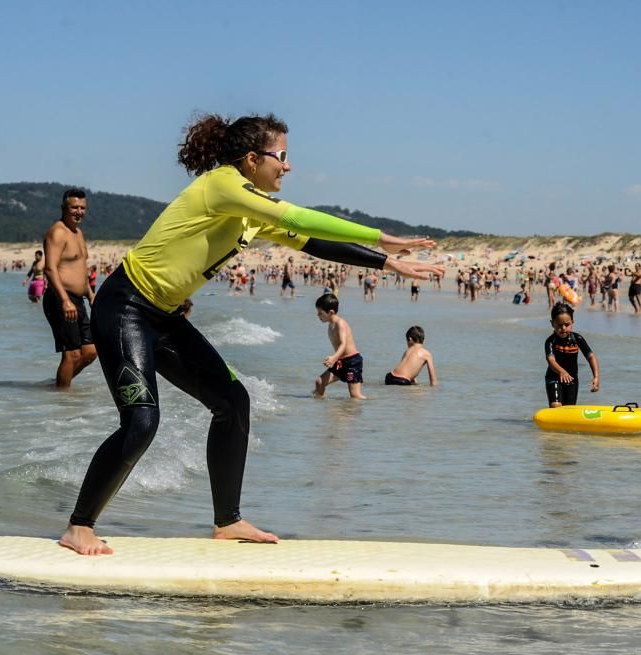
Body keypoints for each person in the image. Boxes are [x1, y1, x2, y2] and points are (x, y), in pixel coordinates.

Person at [58, 113, 442, 555]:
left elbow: (312, 241)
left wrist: (387, 263)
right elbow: (301, 216)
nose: (288, 166)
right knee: (142, 422)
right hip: (125, 308)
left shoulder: (249, 208)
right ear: (251, 158)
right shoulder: (222, 185)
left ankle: (228, 521)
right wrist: (383, 236)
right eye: (282, 156)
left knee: (232, 401)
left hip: (163, 317)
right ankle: (79, 526)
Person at [43, 188, 98, 388]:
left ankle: (59, 384)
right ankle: (63, 400)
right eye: (74, 207)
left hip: (78, 299)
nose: (79, 211)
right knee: (72, 354)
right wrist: (65, 301)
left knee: (90, 351)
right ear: (64, 208)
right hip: (61, 298)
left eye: (82, 208)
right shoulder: (57, 232)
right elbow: (50, 269)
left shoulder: (78, 232)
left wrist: (91, 295)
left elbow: (80, 268)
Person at [544, 302, 600, 408]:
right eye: (559, 325)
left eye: (567, 324)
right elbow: (551, 361)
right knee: (556, 406)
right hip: (554, 378)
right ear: (552, 323)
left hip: (572, 380)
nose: (563, 328)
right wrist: (562, 372)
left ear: (572, 322)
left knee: (569, 409)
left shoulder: (577, 339)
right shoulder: (550, 342)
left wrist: (596, 377)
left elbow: (591, 357)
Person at [313, 293, 367, 399]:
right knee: (319, 382)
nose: (318, 315)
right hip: (341, 362)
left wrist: (334, 357)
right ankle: (321, 406)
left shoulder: (340, 323)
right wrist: (336, 359)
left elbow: (344, 344)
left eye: (320, 313)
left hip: (352, 361)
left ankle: (373, 406)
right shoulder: (330, 325)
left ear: (331, 312)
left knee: (355, 396)